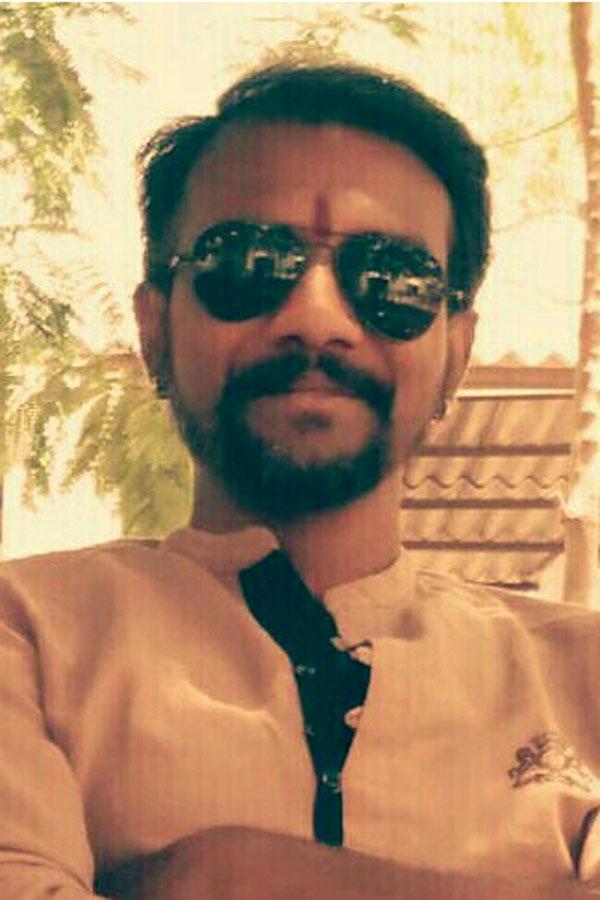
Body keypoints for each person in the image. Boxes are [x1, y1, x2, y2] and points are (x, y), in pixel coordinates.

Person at [1, 62, 599, 900]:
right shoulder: (28, 637)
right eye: (249, 262)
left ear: (455, 355)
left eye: (393, 281)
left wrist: (225, 874)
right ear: (155, 328)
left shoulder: (582, 675)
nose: (317, 318)